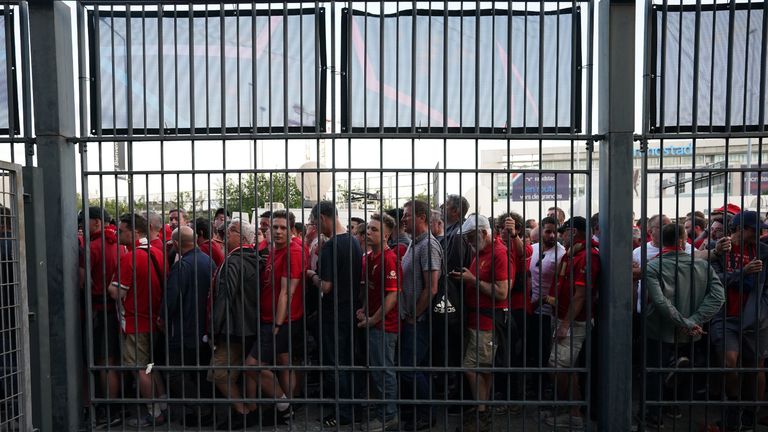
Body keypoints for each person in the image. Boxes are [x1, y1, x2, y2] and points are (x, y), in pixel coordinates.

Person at [639, 224, 724, 429]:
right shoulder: (702, 265)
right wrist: (693, 320)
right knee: (681, 370)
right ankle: (673, 406)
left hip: (660, 328)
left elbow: (659, 302)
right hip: (692, 331)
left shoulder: (652, 266)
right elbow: (718, 296)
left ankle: (653, 414)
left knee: (655, 370)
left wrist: (686, 321)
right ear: (682, 240)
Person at [449, 214, 511, 432]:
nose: (467, 241)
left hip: (487, 321)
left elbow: (502, 292)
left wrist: (472, 280)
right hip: (477, 319)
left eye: (470, 236)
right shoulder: (482, 252)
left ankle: (482, 413)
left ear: (484, 233)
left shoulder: (499, 254)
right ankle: (481, 411)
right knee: (482, 368)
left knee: (473, 368)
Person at [305, 201, 363, 427]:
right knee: (349, 361)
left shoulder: (330, 246)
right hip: (351, 309)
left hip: (334, 312)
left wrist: (312, 275)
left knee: (335, 364)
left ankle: (343, 413)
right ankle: (353, 409)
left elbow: (327, 286)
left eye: (314, 222)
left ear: (322, 218)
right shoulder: (354, 242)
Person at [245, 210, 305, 425]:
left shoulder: (293, 252)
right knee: (284, 361)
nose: (278, 231)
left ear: (291, 230)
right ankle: (287, 409)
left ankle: (283, 404)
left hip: (281, 321)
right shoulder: (275, 250)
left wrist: (277, 324)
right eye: (274, 227)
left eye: (283, 227)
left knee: (252, 365)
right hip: (272, 318)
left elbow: (286, 292)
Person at [710, 211, 768, 431]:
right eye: (756, 229)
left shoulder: (763, 251)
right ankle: (733, 410)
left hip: (756, 317)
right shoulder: (719, 249)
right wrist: (742, 273)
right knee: (729, 363)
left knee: (756, 367)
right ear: (740, 229)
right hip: (725, 315)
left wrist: (763, 310)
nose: (760, 233)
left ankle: (750, 417)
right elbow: (713, 280)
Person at [109, 213, 168, 427]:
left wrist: (110, 286)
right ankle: (163, 405)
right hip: (155, 320)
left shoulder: (129, 257)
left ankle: (154, 412)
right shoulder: (158, 253)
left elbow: (116, 292)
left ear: (136, 232)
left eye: (122, 230)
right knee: (151, 366)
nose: (117, 233)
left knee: (140, 369)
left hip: (134, 323)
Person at [544, 217, 600, 430]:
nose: (561, 236)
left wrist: (565, 324)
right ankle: (568, 410)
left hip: (574, 322)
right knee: (566, 368)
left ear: (573, 231)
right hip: (563, 318)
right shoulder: (574, 253)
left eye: (564, 232)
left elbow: (580, 295)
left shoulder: (587, 256)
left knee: (558, 367)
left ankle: (574, 414)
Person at [208, 219, 261, 429]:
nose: (224, 234)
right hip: (249, 326)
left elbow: (225, 297)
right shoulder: (254, 258)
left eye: (231, 231)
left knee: (218, 373)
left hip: (234, 328)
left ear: (242, 237)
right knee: (244, 372)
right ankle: (249, 410)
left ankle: (244, 411)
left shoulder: (233, 261)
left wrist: (214, 328)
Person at [161, 226, 214, 426]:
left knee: (175, 371)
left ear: (175, 244)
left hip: (184, 328)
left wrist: (163, 319)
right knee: (199, 371)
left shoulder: (182, 265)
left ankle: (202, 410)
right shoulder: (207, 260)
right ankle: (205, 409)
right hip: (204, 327)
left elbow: (171, 299)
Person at [78, 207, 124, 428]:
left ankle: (107, 410)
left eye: (83, 222)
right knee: (112, 361)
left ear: (96, 222)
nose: (80, 226)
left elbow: (81, 282)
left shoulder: (91, 248)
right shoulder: (120, 245)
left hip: (98, 311)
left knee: (103, 363)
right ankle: (112, 408)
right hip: (117, 311)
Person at [399, 199, 442, 431]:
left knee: (410, 369)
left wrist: (415, 314)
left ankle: (427, 414)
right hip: (412, 318)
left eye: (407, 215)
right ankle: (422, 412)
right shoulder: (415, 244)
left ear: (422, 218)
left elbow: (432, 287)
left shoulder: (428, 245)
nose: (403, 219)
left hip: (419, 320)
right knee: (418, 368)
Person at [356, 213, 401, 432]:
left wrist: (373, 319)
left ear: (387, 235)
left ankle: (389, 416)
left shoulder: (388, 259)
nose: (368, 233)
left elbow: (392, 296)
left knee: (384, 371)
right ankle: (382, 412)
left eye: (374, 229)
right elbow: (369, 291)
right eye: (368, 229)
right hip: (373, 323)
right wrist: (363, 310)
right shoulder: (368, 257)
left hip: (384, 326)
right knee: (376, 370)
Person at [433, 195, 471, 407]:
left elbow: (453, 268)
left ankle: (459, 396)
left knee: (455, 348)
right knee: (449, 348)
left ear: (456, 211)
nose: (442, 207)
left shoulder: (458, 234)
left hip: (455, 300)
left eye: (446, 205)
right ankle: (454, 390)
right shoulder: (451, 231)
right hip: (452, 298)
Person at [527, 217, 564, 395]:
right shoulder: (533, 249)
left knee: (546, 352)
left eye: (555, 231)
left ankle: (545, 388)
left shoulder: (562, 253)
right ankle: (534, 386)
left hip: (549, 312)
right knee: (533, 349)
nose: (552, 235)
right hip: (531, 308)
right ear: (541, 231)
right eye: (548, 231)